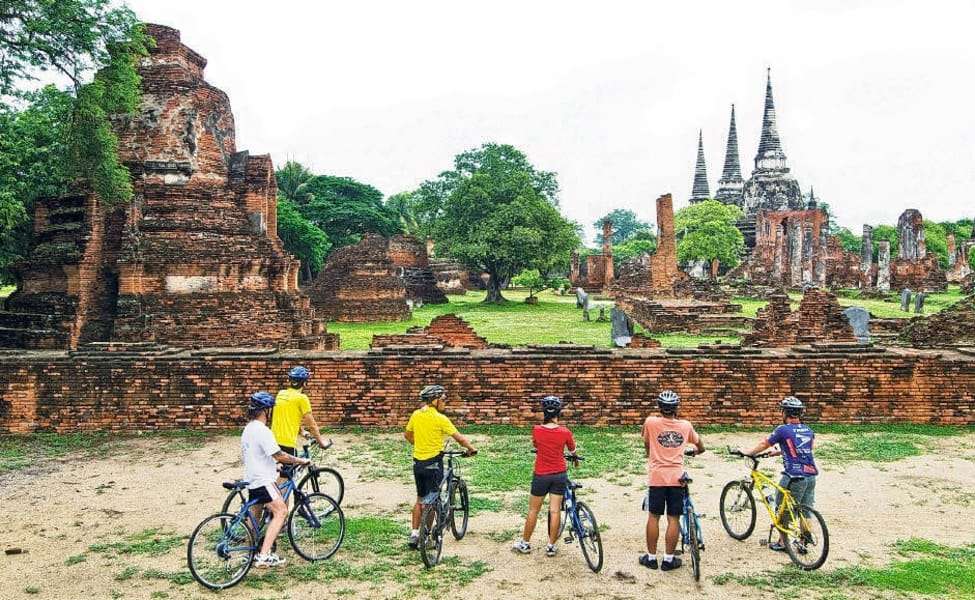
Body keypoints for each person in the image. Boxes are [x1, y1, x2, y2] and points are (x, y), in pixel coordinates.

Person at [241, 391, 311, 567]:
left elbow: (258, 455)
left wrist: (273, 466)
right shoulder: (263, 430)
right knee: (281, 511)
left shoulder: (248, 429)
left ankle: (249, 553)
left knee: (255, 513)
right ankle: (264, 556)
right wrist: (299, 460)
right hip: (263, 480)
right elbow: (279, 455)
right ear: (266, 411)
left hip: (251, 478)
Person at [740, 396, 818, 552]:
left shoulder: (782, 429)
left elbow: (764, 443)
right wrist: (779, 452)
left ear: (785, 413)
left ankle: (783, 543)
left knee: (781, 509)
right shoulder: (808, 430)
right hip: (811, 475)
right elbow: (803, 448)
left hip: (794, 476)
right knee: (805, 509)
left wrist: (748, 452)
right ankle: (804, 539)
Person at [404, 384, 477, 549]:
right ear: (434, 400)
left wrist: (420, 443)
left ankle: (415, 533)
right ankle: (427, 534)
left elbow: (408, 435)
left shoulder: (416, 415)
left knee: (420, 498)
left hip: (418, 463)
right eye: (443, 399)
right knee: (433, 499)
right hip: (434, 463)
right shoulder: (440, 419)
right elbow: (459, 438)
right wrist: (471, 449)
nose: (445, 402)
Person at [639, 390, 704, 572]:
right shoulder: (685, 426)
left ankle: (651, 558)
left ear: (659, 407)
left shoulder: (650, 422)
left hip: (656, 477)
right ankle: (668, 560)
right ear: (677, 408)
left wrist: (650, 455)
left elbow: (647, 443)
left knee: (653, 516)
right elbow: (701, 446)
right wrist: (695, 451)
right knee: (673, 518)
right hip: (677, 478)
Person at [512, 396, 577, 557]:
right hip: (559, 474)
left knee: (533, 510)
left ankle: (525, 543)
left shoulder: (537, 430)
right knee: (555, 511)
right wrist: (575, 460)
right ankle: (551, 546)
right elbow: (572, 450)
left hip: (541, 475)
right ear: (558, 412)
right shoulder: (565, 431)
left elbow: (536, 444)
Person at [271, 366, 329, 471]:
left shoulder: (281, 394)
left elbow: (288, 416)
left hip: (272, 440)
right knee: (287, 476)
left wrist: (302, 431)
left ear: (289, 381)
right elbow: (312, 424)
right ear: (305, 383)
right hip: (286, 443)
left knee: (279, 473)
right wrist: (321, 442)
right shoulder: (302, 398)